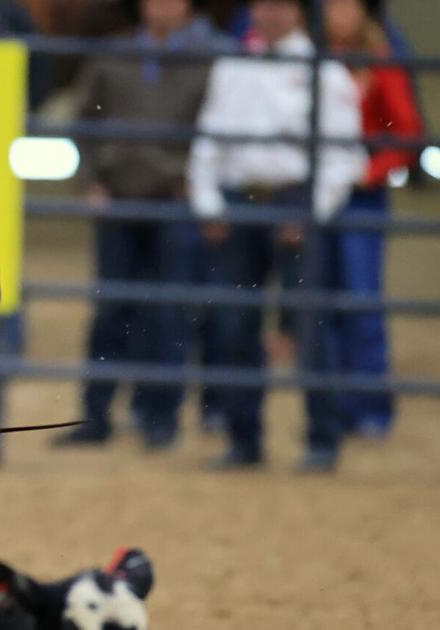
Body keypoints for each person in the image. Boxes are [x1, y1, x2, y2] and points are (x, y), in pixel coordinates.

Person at [187, 0, 367, 472]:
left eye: (280, 5)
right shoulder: (232, 67)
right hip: (239, 202)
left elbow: (343, 156)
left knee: (309, 328)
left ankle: (322, 439)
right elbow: (207, 140)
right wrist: (209, 203)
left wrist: (310, 212)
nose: (269, 14)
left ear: (298, 13)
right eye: (263, 4)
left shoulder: (325, 73)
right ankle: (243, 438)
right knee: (235, 325)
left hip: (294, 200)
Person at [53, 0, 229, 450]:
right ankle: (97, 414)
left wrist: (200, 183)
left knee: (167, 313)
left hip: (175, 201)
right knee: (112, 310)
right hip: (118, 200)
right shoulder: (112, 54)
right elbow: (83, 122)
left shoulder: (211, 60)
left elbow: (221, 129)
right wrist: (91, 181)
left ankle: (159, 416)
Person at [323, 0, 421, 440]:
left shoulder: (381, 60)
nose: (339, 13)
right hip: (320, 191)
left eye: (348, 5)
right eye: (332, 5)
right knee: (324, 302)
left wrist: (371, 171)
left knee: (360, 300)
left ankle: (370, 409)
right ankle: (334, 406)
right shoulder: (312, 57)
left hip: (361, 195)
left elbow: (407, 133)